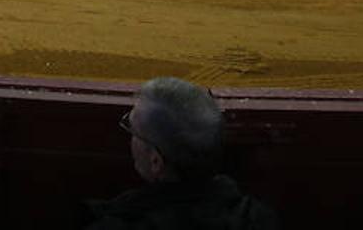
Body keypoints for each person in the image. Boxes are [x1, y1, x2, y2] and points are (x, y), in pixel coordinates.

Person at [81, 77, 277, 229]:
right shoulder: (259, 219)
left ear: (156, 162)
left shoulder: (116, 224)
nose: (130, 135)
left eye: (131, 128)